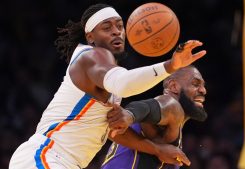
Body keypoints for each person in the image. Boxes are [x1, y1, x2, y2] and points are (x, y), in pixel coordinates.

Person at [9, 3, 206, 169]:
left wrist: (156, 149)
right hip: (46, 156)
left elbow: (115, 132)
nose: (116, 31)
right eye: (107, 27)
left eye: (120, 26)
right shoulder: (92, 56)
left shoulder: (107, 78)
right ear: (90, 37)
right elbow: (124, 84)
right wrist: (171, 65)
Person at [101, 65, 207, 169]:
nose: (203, 90)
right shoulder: (171, 106)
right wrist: (130, 114)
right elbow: (146, 107)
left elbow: (110, 132)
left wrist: (157, 149)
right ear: (174, 87)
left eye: (203, 85)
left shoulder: (173, 127)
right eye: (195, 84)